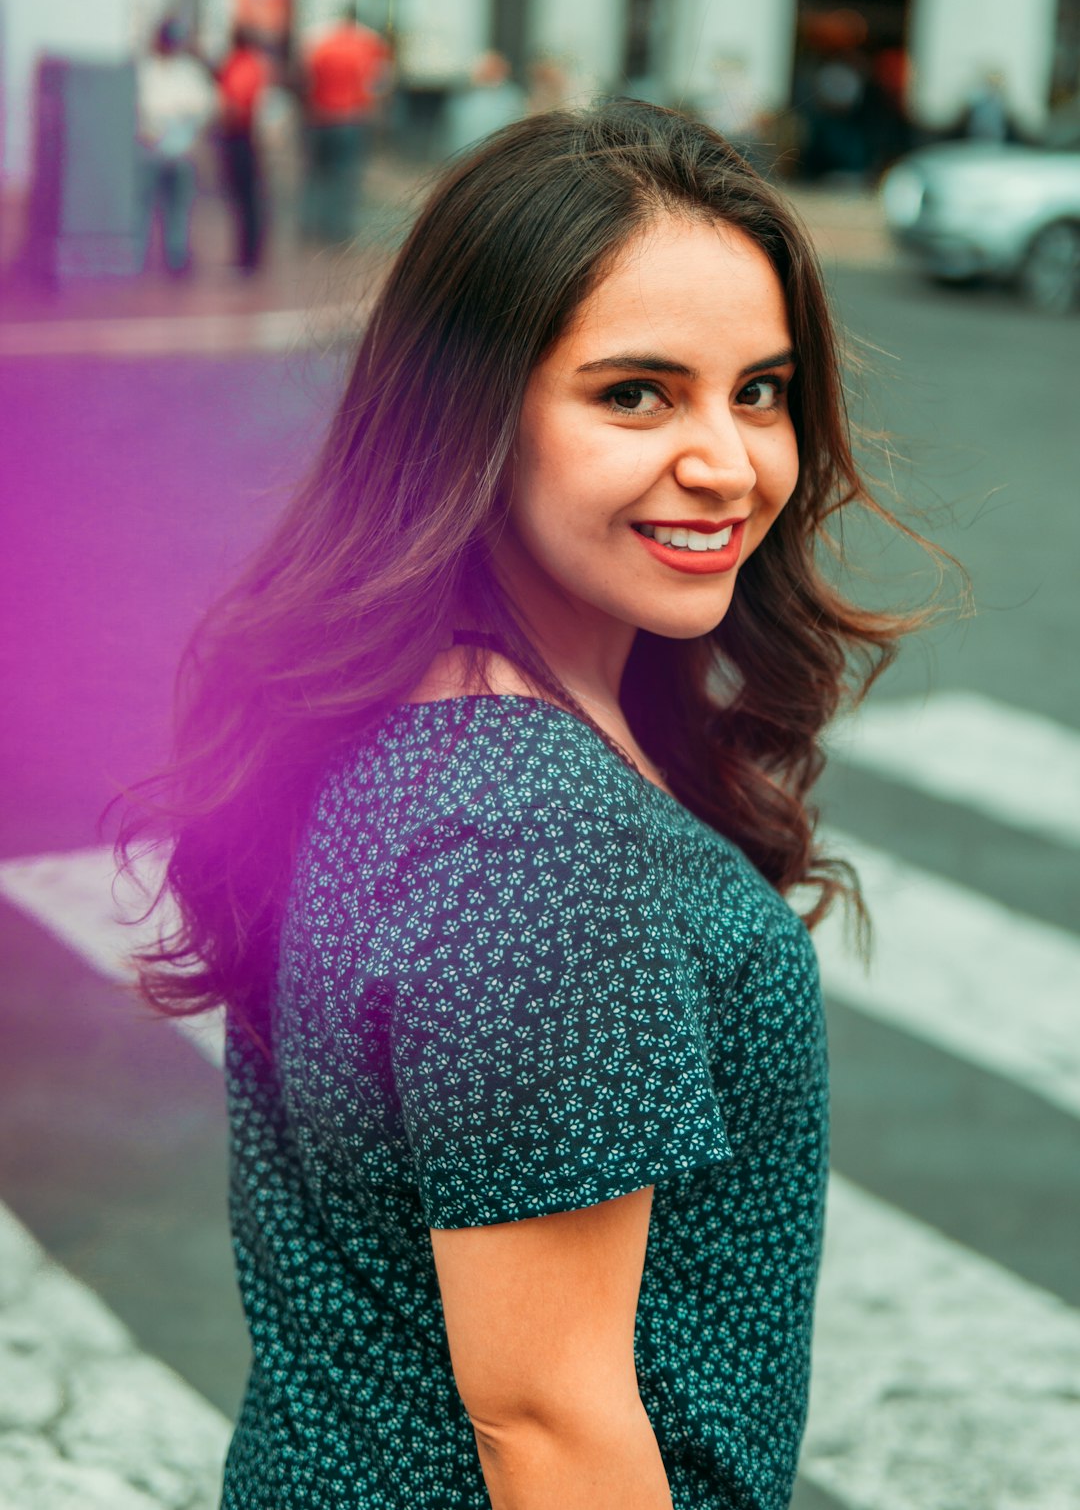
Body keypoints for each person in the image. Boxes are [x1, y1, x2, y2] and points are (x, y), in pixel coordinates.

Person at [120, 102, 940, 1510]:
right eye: (636, 392)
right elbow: (552, 1428)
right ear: (473, 417)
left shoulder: (434, 712)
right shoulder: (532, 829)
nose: (730, 461)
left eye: (760, 388)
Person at [303, 3, 391, 244]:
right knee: (345, 175)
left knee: (316, 174)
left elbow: (306, 78)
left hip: (320, 116)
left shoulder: (320, 41)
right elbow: (378, 83)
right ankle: (338, 229)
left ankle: (310, 226)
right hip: (351, 117)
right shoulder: (370, 43)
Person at [135, 18, 217, 275]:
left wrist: (185, 125)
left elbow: (204, 106)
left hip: (181, 150)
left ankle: (176, 257)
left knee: (178, 208)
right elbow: (139, 108)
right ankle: (138, 257)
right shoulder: (145, 69)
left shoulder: (189, 71)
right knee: (143, 206)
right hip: (150, 150)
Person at [217, 26, 271, 273]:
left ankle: (247, 258)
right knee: (250, 200)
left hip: (240, 138)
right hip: (250, 138)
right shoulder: (256, 65)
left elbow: (235, 106)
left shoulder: (239, 65)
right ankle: (251, 256)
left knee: (245, 201)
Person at [442, 49, 527, 159]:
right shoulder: (466, 95)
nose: (487, 71)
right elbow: (451, 127)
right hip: (463, 156)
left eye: (493, 68)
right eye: (485, 68)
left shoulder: (511, 96)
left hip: (496, 156)